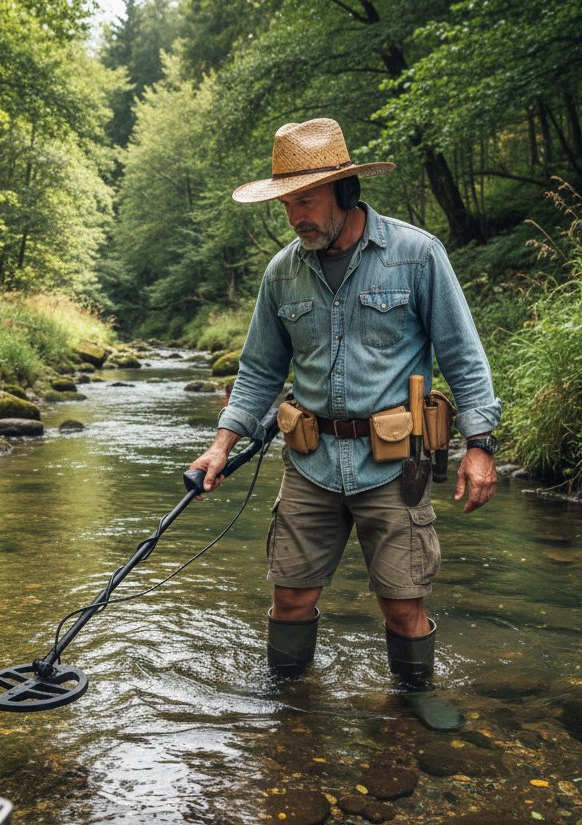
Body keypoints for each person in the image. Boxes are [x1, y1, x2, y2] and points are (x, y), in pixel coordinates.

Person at [188, 118, 502, 730]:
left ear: (346, 191)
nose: (295, 216)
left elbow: (463, 355)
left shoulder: (417, 254)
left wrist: (480, 446)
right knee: (291, 597)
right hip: (307, 463)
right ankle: (287, 704)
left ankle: (413, 699)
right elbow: (256, 371)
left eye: (306, 199)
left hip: (393, 465)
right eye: (286, 204)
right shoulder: (282, 272)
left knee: (402, 603)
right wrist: (220, 446)